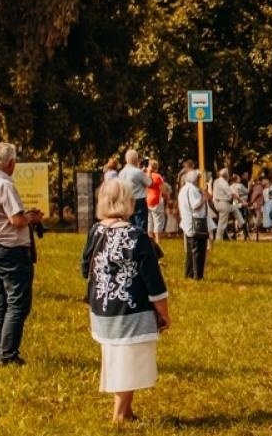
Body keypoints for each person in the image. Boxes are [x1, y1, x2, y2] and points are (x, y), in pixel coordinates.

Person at [81, 178, 170, 422]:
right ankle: (120, 414)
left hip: (102, 308)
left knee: (117, 357)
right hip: (130, 310)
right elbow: (153, 280)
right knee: (128, 360)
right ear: (128, 201)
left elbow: (84, 266)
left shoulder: (96, 231)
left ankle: (126, 411)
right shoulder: (136, 235)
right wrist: (164, 312)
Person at [0, 142, 44, 366]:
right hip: (11, 250)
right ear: (11, 163)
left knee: (1, 300)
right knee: (18, 303)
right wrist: (32, 218)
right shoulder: (4, 184)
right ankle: (8, 355)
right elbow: (16, 220)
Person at [178, 169, 208, 279]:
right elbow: (195, 205)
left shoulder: (184, 189)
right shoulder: (192, 190)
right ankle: (197, 275)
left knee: (191, 251)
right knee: (198, 250)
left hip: (187, 222)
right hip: (195, 223)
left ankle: (189, 273)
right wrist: (203, 198)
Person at [118, 149, 150, 233]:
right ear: (136, 159)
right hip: (139, 200)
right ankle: (140, 243)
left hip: (127, 199)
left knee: (129, 224)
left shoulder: (121, 172)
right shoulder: (138, 172)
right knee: (140, 224)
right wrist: (146, 173)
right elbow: (149, 183)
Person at [144, 158, 166, 241]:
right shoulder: (158, 176)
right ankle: (157, 241)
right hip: (156, 200)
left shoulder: (145, 175)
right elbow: (162, 189)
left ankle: (150, 242)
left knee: (149, 221)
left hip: (147, 200)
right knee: (158, 221)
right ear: (156, 168)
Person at [211, 168, 235, 240]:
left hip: (216, 203)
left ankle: (241, 223)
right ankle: (219, 239)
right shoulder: (224, 182)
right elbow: (230, 194)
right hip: (223, 203)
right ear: (226, 175)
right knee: (222, 223)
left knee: (221, 222)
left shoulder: (216, 181)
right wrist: (231, 197)